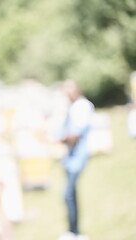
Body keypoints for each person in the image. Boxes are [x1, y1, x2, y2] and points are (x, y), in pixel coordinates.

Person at [58, 79, 94, 240]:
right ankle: (74, 230)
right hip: (70, 157)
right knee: (70, 194)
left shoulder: (82, 106)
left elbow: (76, 134)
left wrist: (60, 139)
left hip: (78, 156)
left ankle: (75, 232)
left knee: (68, 194)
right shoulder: (72, 106)